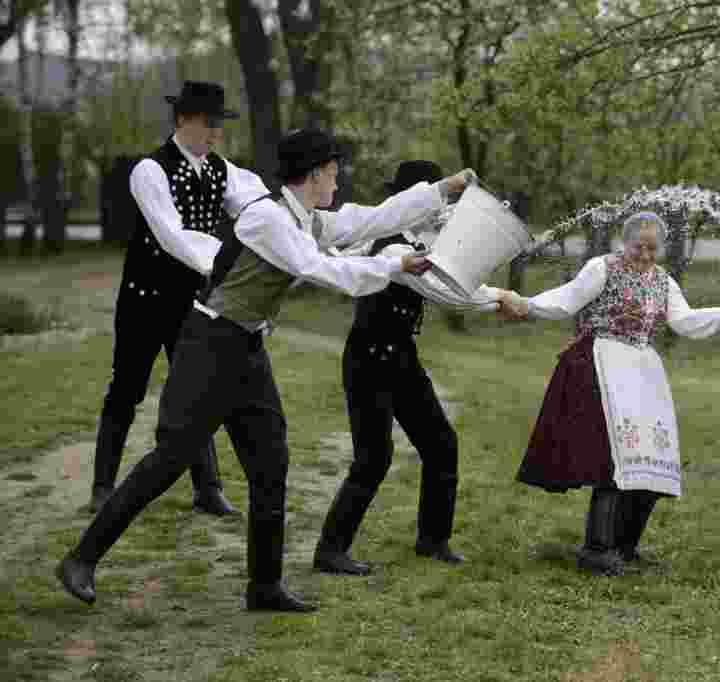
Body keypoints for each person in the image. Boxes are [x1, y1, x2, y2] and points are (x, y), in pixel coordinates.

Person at [56, 129, 477, 612]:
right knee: (170, 460)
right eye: (334, 173)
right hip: (210, 345)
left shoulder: (304, 218)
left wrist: (443, 189)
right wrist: (396, 267)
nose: (338, 181)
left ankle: (264, 586)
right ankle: (81, 558)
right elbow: (321, 270)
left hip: (246, 347)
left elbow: (369, 219)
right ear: (315, 175)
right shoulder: (268, 219)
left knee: (271, 463)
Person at [500, 212, 720, 576]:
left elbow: (684, 320)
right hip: (601, 363)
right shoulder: (602, 267)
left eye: (653, 249)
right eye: (640, 247)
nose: (646, 256)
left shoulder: (663, 281)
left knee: (651, 455)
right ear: (625, 242)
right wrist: (526, 304)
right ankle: (596, 549)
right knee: (612, 461)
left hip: (642, 371)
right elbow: (567, 299)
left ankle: (626, 546)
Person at [313, 160, 513, 575]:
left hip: (400, 355)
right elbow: (446, 289)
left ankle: (432, 540)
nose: (443, 210)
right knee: (374, 459)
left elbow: (454, 263)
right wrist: (501, 298)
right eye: (438, 202)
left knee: (441, 445)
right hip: (369, 359)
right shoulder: (393, 248)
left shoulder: (419, 240)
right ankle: (330, 550)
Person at [88, 81, 244, 516]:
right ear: (182, 120)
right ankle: (103, 486)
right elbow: (171, 234)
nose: (215, 133)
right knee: (127, 387)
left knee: (198, 392)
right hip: (144, 300)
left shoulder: (221, 170)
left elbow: (253, 209)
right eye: (207, 124)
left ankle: (207, 488)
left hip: (190, 303)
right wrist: (222, 264)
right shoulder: (149, 171)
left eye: (219, 125)